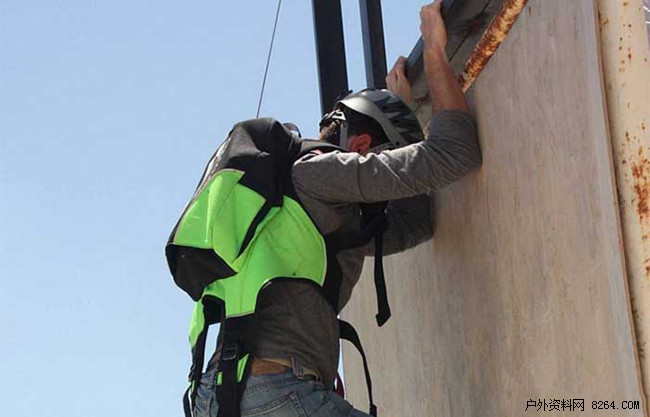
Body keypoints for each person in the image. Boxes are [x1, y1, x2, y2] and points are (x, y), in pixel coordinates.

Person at [190, 1, 481, 416]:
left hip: (214, 399)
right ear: (360, 147)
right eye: (384, 157)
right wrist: (434, 50)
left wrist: (404, 122)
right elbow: (456, 153)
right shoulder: (320, 174)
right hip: (275, 392)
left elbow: (413, 225)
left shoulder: (305, 218)